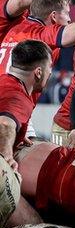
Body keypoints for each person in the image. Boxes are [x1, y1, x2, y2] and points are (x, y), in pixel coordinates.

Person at [0, 0, 75, 75]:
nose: (69, 19)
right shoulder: (41, 34)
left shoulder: (15, 28)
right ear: (53, 16)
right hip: (12, 92)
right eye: (67, 13)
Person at [0, 40, 52, 170]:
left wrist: (18, 135)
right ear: (38, 72)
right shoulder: (19, 95)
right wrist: (7, 157)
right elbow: (4, 124)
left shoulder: (5, 81)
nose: (51, 72)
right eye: (50, 66)